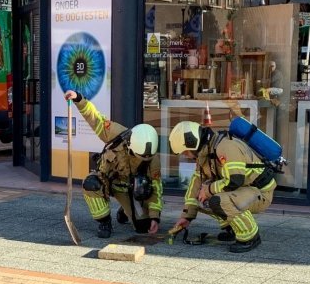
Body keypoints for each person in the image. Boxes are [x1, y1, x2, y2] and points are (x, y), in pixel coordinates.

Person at [64, 90, 163, 238]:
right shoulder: (116, 134)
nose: (144, 159)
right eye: (140, 156)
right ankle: (104, 221)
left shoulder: (152, 159)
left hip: (131, 188)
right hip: (108, 182)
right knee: (91, 184)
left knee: (143, 226)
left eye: (147, 157)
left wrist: (155, 217)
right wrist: (78, 99)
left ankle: (125, 210)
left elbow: (156, 188)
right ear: (131, 144)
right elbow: (95, 118)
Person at [168, 120, 277, 253]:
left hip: (260, 192)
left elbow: (234, 180)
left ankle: (250, 236)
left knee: (217, 200)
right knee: (201, 200)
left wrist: (208, 190)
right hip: (243, 190)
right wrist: (187, 216)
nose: (186, 156)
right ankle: (234, 228)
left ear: (192, 144)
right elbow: (196, 183)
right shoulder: (205, 154)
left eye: (185, 152)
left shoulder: (226, 147)